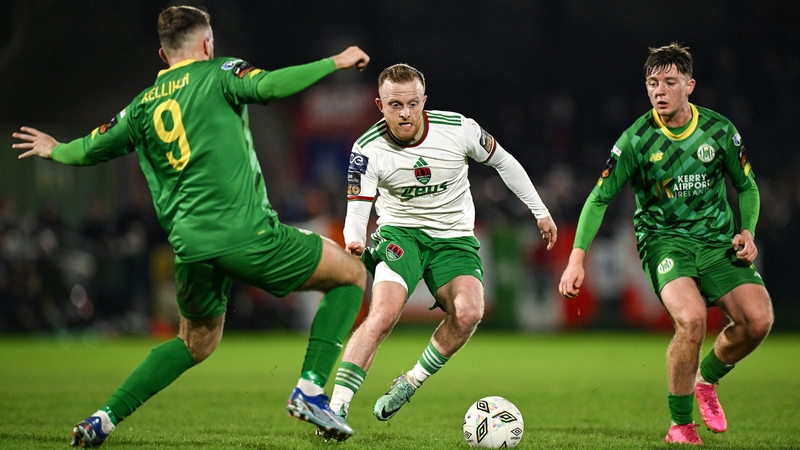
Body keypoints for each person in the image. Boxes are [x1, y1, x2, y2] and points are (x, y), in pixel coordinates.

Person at [12, 5, 370, 446]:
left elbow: (89, 149)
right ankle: (312, 391)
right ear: (207, 44)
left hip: (191, 248)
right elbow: (271, 86)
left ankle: (102, 419)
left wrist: (54, 150)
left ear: (163, 56)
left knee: (195, 343)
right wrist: (334, 62)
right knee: (351, 275)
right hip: (247, 235)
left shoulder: (141, 106)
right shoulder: (220, 73)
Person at [558, 43, 773, 445]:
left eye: (669, 82)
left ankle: (706, 381)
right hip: (664, 242)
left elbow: (746, 186)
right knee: (691, 320)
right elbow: (598, 198)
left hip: (717, 242)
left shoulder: (720, 131)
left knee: (758, 321)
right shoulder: (636, 140)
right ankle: (681, 426)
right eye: (652, 83)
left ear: (689, 85)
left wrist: (748, 231)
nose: (659, 91)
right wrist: (576, 259)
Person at [325, 63, 557, 434]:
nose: (405, 113)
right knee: (383, 314)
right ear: (379, 105)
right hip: (401, 235)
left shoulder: (459, 129)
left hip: (454, 239)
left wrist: (540, 211)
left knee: (468, 314)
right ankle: (334, 410)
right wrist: (354, 238)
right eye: (395, 105)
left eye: (412, 104)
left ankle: (410, 382)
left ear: (424, 102)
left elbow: (504, 161)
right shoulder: (367, 149)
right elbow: (358, 205)